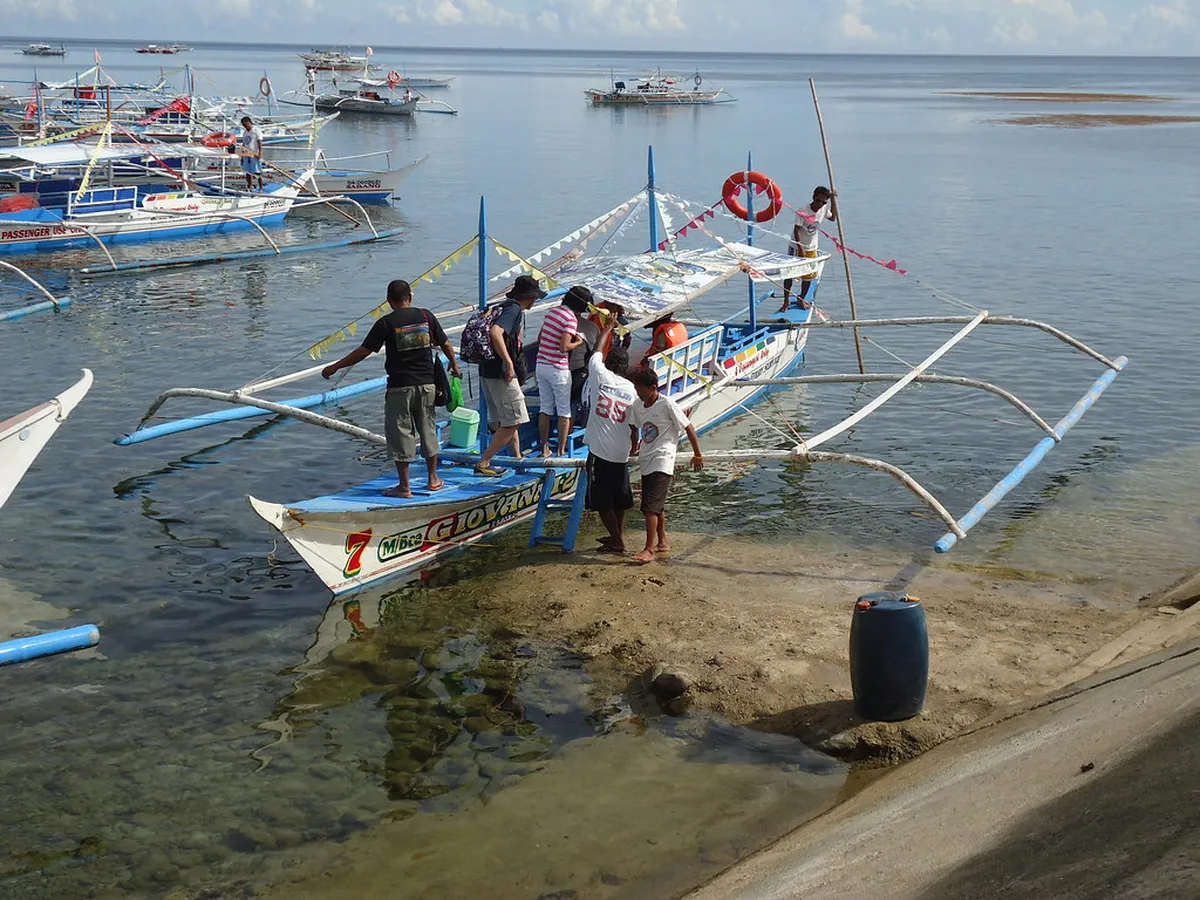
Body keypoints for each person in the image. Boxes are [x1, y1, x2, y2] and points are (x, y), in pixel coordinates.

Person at [321, 279, 461, 498]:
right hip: (426, 385)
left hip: (400, 388)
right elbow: (446, 344)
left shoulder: (385, 323)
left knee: (401, 434)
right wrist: (454, 364)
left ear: (388, 301)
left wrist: (334, 367)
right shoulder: (426, 316)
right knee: (428, 430)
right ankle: (433, 479)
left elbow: (363, 351)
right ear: (410, 297)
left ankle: (404, 487)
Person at [626, 367, 703, 564]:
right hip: (646, 458)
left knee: (650, 508)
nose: (638, 393)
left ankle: (649, 549)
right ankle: (662, 542)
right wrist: (633, 449)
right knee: (656, 505)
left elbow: (688, 427)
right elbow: (633, 428)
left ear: (653, 387)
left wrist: (697, 454)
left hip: (663, 458)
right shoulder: (638, 405)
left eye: (641, 389)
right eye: (636, 389)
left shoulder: (667, 404)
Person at [475, 274, 545, 476]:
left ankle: (517, 458)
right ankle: (484, 463)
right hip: (501, 373)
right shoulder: (514, 309)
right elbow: (496, 333)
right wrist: (508, 362)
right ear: (530, 297)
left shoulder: (501, 306)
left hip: (487, 370)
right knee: (514, 419)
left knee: (508, 420)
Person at [583, 322, 637, 554]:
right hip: (621, 451)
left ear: (609, 363)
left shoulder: (600, 375)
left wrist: (606, 330)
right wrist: (634, 447)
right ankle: (617, 536)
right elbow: (634, 426)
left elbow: (595, 351)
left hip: (600, 450)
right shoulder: (631, 389)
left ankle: (617, 541)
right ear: (625, 368)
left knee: (602, 500)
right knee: (620, 499)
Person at [535, 285, 587, 457]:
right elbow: (564, 347)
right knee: (564, 411)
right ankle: (560, 450)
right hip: (558, 369)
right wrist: (578, 342)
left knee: (545, 408)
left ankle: (544, 448)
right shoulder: (571, 319)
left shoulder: (552, 312)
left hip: (541, 365)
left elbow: (540, 337)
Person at [779, 185, 837, 312]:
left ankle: (801, 298)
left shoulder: (823, 209)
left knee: (808, 276)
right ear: (813, 197)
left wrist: (833, 200)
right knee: (790, 274)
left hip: (811, 247)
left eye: (823, 202)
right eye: (818, 200)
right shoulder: (803, 210)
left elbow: (833, 218)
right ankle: (786, 301)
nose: (820, 204)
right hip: (796, 246)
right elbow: (796, 230)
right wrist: (800, 248)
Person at [237, 116, 265, 191]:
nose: (245, 127)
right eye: (243, 125)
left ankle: (261, 188)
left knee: (257, 172)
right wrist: (242, 156)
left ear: (249, 122)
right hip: (246, 154)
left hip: (254, 154)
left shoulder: (256, 130)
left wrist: (260, 153)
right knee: (247, 172)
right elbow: (244, 144)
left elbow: (259, 142)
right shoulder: (245, 132)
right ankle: (250, 186)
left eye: (245, 125)